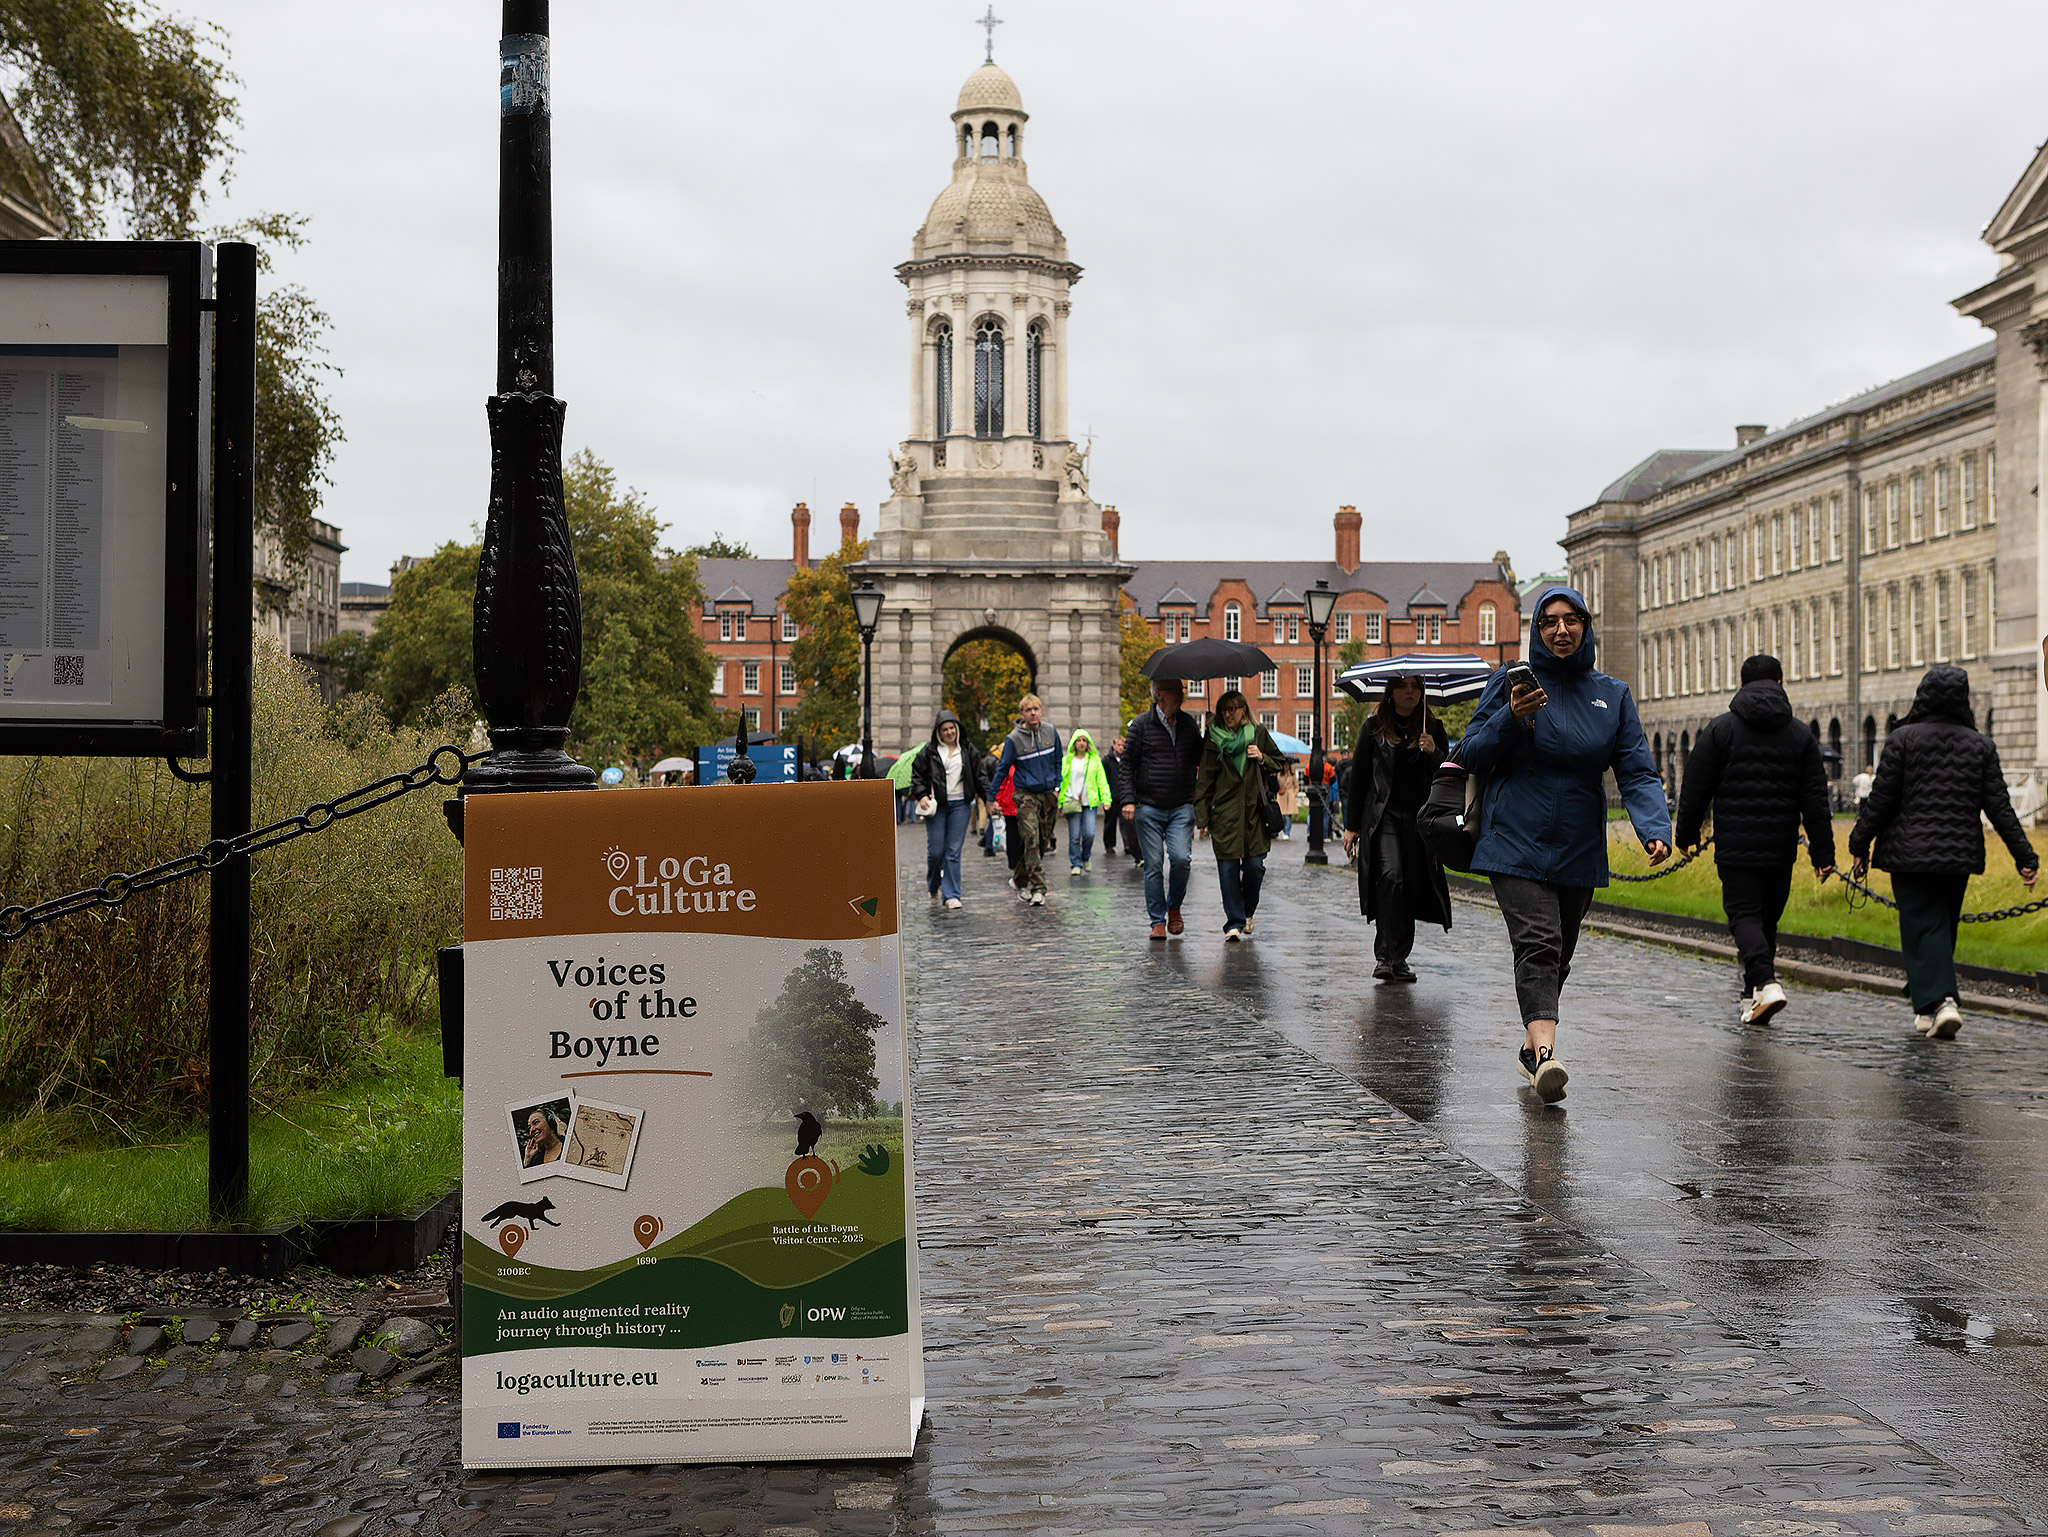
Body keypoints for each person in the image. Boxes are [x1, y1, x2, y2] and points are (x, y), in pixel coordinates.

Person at [1456, 584, 1670, 1104]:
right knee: (1539, 942)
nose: (1560, 629)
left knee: (1561, 951)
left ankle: (1532, 1048)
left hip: (1577, 841)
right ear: (1537, 629)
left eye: (1571, 620)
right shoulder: (1508, 683)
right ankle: (1548, 1058)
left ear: (1585, 626)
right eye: (1550, 621)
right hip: (1514, 836)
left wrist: (1654, 827)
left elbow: (1637, 771)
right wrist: (1511, 715)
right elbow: (1470, 751)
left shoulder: (1613, 695)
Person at [1848, 665, 2037, 1040]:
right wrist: (2024, 856)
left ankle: (1942, 1001)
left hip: (1910, 853)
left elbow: (1881, 801)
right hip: (1958, 854)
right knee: (1941, 927)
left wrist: (1859, 844)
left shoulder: (1902, 739)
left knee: (1922, 926)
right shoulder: (1980, 745)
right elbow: (1999, 808)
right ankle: (1925, 1003)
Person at [1673, 655, 1836, 1025]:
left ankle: (1765, 981)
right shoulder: (1800, 735)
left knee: (1744, 916)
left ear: (1742, 684)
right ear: (1780, 683)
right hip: (1781, 846)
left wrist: (1685, 835)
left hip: (1735, 844)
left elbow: (1695, 788)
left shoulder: (1721, 730)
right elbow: (1816, 802)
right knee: (1766, 921)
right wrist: (1823, 854)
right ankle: (1752, 996)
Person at [1341, 676, 1451, 982]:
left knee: (1412, 885)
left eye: (1416, 686)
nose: (1410, 692)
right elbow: (1359, 778)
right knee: (1392, 877)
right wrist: (1351, 828)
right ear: (1391, 693)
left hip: (1420, 818)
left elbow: (1448, 777)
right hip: (1384, 815)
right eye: (1403, 686)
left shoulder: (1433, 728)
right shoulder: (1373, 729)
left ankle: (1400, 958)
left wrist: (1434, 754)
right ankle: (1385, 955)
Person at [1115, 678, 1206, 939]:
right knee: (1153, 864)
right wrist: (1128, 800)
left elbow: (1200, 758)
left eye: (1182, 691)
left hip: (1181, 805)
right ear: (1160, 696)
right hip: (1149, 807)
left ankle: (1174, 906)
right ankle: (1157, 920)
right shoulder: (1141, 725)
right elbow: (1127, 765)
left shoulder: (1188, 724)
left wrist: (1209, 733)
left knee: (1180, 859)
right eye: (1177, 692)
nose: (1182, 696)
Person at [1192, 690, 1286, 941]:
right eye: (1225, 709)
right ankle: (1233, 922)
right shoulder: (1212, 738)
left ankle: (1246, 912)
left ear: (1244, 710)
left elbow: (1279, 761)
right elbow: (1205, 780)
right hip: (1224, 814)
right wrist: (1202, 818)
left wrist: (1262, 757)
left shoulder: (1258, 734)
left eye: (1234, 708)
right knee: (1228, 869)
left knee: (1255, 867)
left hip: (1254, 814)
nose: (1229, 713)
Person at [908, 709, 986, 910]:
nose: (950, 732)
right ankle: (933, 884)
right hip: (937, 807)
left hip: (961, 805)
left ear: (958, 729)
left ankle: (951, 895)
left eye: (952, 728)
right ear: (938, 732)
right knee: (936, 852)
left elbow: (980, 777)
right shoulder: (929, 752)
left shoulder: (969, 751)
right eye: (945, 729)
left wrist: (990, 800)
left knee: (952, 851)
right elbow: (916, 775)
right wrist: (922, 795)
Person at [992, 695, 1061, 906]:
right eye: (1028, 709)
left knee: (1041, 841)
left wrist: (1057, 786)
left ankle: (1019, 877)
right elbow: (1002, 768)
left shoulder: (1051, 731)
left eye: (1036, 709)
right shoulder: (1014, 739)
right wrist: (991, 796)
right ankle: (1039, 888)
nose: (1033, 713)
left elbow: (1058, 759)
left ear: (1041, 711)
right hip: (1025, 795)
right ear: (1021, 713)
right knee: (1031, 837)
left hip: (1048, 793)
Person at [1059, 728, 1112, 874]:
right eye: (1078, 740)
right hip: (1072, 801)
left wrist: (1106, 799)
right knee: (1074, 836)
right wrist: (1059, 802)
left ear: (1088, 743)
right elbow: (1062, 782)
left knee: (1089, 834)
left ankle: (1085, 857)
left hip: (1090, 803)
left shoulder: (1094, 760)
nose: (1081, 743)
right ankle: (1075, 864)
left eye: (1084, 740)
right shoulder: (1066, 760)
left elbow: (1102, 781)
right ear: (1074, 743)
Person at [1275, 758, 1300, 841]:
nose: (1286, 766)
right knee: (1281, 815)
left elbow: (1296, 786)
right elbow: (1276, 784)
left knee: (1288, 815)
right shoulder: (1279, 774)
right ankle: (1282, 829)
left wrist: (1294, 794)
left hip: (1289, 795)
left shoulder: (1292, 774)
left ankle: (1287, 832)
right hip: (1282, 795)